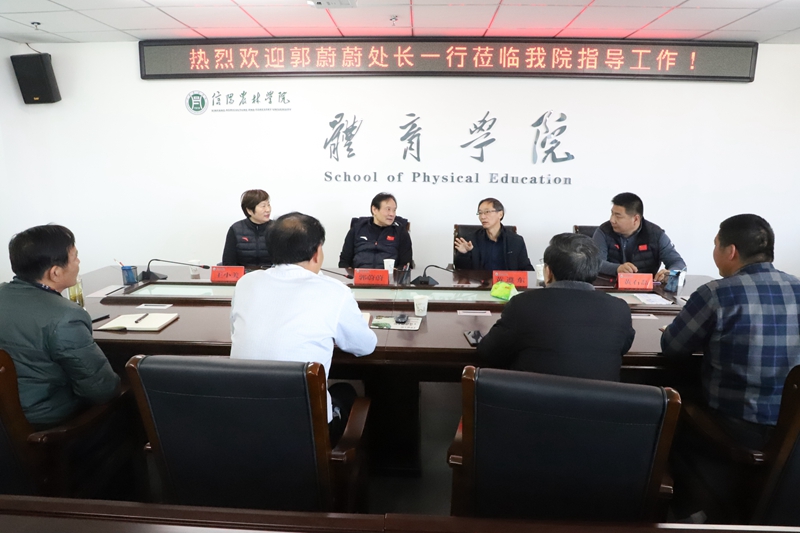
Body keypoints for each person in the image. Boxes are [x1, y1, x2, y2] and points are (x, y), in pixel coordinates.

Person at [231, 212, 377, 444]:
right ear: (317, 252)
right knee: (345, 392)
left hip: (244, 427)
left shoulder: (246, 284)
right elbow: (365, 346)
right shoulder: (334, 291)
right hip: (306, 435)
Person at [662, 214, 800, 443]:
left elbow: (672, 348)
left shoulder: (716, 293)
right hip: (792, 429)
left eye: (716, 245)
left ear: (731, 251)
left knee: (672, 394)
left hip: (735, 426)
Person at [0, 225, 120, 428]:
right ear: (55, 272)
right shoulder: (65, 317)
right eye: (75, 257)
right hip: (45, 423)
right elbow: (101, 391)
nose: (78, 262)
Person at [477, 233, 634, 381]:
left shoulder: (523, 304)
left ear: (548, 272)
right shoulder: (619, 309)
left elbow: (489, 352)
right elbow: (622, 348)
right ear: (595, 270)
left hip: (533, 400)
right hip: (600, 400)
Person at [592, 192, 685, 282]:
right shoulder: (603, 232)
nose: (612, 220)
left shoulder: (655, 235)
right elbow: (594, 263)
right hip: (610, 287)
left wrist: (670, 273)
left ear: (635, 219)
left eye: (618, 216)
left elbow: (678, 262)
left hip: (647, 289)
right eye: (612, 213)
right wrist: (617, 268)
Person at [454, 198, 534, 271]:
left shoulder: (516, 241)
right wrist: (463, 254)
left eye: (487, 212)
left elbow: (526, 268)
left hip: (506, 282)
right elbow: (460, 270)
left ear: (500, 214)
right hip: (480, 282)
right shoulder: (470, 240)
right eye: (480, 213)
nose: (482, 217)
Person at [338, 192, 413, 270]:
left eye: (394, 210)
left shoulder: (400, 232)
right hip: (359, 275)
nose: (392, 214)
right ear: (374, 210)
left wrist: (396, 272)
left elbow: (405, 264)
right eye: (388, 209)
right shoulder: (357, 228)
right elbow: (344, 261)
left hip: (389, 276)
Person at [222, 189, 273, 268]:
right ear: (249, 210)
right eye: (263, 206)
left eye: (268, 205)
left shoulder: (277, 228)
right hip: (244, 274)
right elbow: (228, 262)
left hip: (271, 274)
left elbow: (285, 261)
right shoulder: (236, 229)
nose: (268, 209)